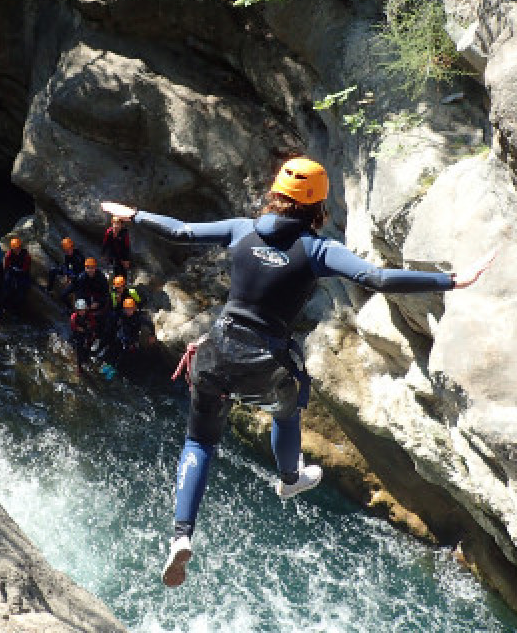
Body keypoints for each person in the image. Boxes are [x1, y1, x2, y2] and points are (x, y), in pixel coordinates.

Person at [100, 156, 496, 587]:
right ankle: (289, 478)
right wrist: (450, 280)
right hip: (266, 363)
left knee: (199, 442)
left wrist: (134, 215)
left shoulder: (242, 229)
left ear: (276, 194)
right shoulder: (317, 249)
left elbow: (181, 231)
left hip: (217, 354)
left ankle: (181, 536)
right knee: (286, 411)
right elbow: (377, 278)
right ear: (318, 206)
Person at [99, 296, 146, 380]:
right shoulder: (121, 315)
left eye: (130, 309)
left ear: (134, 309)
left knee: (121, 356)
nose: (128, 311)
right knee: (113, 352)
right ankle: (109, 366)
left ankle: (114, 369)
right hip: (119, 338)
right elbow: (114, 319)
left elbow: (146, 324)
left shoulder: (137, 318)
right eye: (126, 309)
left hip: (129, 342)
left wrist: (151, 335)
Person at [68, 298, 100, 373]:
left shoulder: (89, 316)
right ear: (77, 310)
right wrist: (79, 329)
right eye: (80, 310)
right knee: (79, 349)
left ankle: (86, 360)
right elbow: (73, 327)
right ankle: (79, 367)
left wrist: (92, 333)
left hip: (87, 333)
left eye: (83, 310)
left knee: (87, 348)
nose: (82, 312)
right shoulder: (74, 317)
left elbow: (94, 325)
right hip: (78, 334)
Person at [2, 236, 32, 313]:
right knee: (7, 285)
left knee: (22, 290)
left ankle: (15, 308)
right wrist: (10, 270)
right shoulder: (9, 254)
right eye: (15, 247)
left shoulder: (25, 255)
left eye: (18, 247)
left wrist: (19, 270)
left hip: (23, 273)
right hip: (12, 272)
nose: (17, 249)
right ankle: (4, 305)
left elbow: (26, 267)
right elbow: (6, 265)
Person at [101, 215, 133, 280]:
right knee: (114, 268)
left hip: (122, 254)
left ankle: (124, 282)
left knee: (123, 271)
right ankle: (114, 281)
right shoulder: (109, 232)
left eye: (118, 224)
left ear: (121, 225)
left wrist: (126, 260)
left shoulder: (124, 234)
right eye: (115, 223)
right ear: (112, 223)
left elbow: (127, 248)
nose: (116, 226)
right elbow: (105, 243)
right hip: (112, 253)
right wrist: (103, 254)